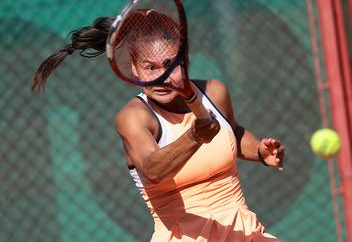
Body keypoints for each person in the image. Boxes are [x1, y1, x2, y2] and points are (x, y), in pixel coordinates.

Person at [32, 14, 285, 241]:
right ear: (134, 69)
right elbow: (152, 169)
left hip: (245, 232)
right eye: (150, 67)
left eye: (169, 65)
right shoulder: (133, 117)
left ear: (185, 62)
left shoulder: (214, 92)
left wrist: (260, 152)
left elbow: (234, 133)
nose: (161, 77)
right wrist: (194, 136)